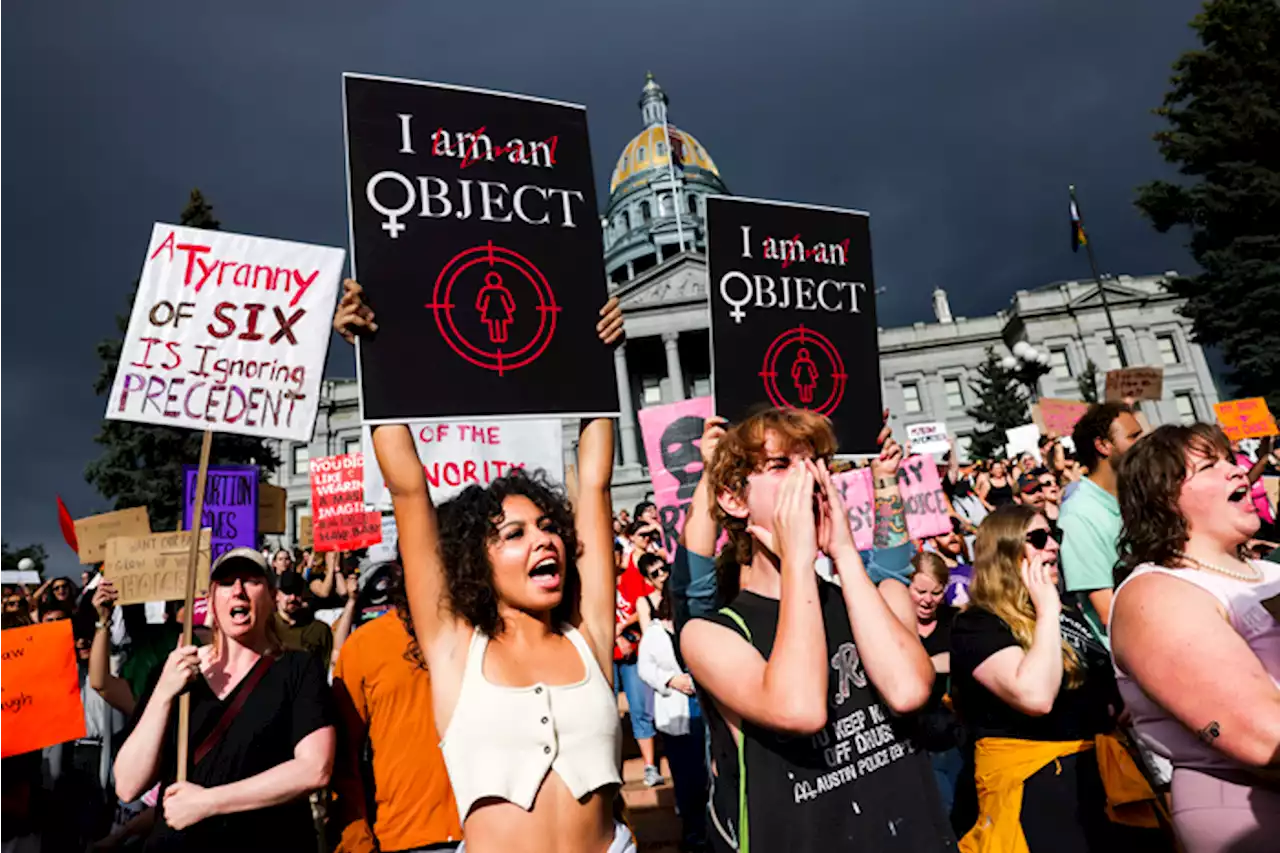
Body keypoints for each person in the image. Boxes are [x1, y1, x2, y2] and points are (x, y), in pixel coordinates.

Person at [352, 277, 634, 853]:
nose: (544, 541)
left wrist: (598, 359)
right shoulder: (455, 648)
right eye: (514, 534)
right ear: (476, 564)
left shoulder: (591, 634)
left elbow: (596, 483)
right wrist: (370, 354)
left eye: (549, 527)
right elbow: (409, 491)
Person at [680, 407, 951, 852]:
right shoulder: (712, 635)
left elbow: (907, 691)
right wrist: (798, 561)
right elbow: (800, 710)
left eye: (814, 463)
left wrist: (843, 550)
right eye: (782, 465)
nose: (806, 476)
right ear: (734, 498)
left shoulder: (866, 598)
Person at [1111, 423, 1280, 852]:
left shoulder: (1272, 573)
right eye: (1209, 465)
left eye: (1229, 458)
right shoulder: (1156, 594)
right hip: (1249, 808)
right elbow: (1262, 736)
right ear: (1164, 499)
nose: (1237, 471)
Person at [113, 548, 336, 852]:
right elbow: (127, 785)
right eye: (227, 582)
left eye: (251, 581)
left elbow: (314, 768)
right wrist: (164, 693)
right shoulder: (176, 672)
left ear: (271, 596)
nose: (239, 591)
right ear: (211, 600)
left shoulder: (298, 669)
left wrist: (207, 802)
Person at [950, 505, 1139, 852]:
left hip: (1096, 775)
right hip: (1036, 789)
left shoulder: (1062, 610)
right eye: (1039, 539)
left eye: (1054, 536)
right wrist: (1047, 611)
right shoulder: (978, 624)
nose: (1053, 546)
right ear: (1004, 551)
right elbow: (1035, 697)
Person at [330, 563, 463, 853]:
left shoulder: (485, 635)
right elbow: (341, 757)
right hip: (405, 838)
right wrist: (357, 842)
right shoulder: (364, 645)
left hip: (492, 832)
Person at [636, 562, 707, 853]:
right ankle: (693, 836)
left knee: (707, 776)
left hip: (703, 712)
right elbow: (645, 668)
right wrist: (670, 680)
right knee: (687, 778)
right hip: (677, 713)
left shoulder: (698, 627)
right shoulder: (654, 632)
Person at [1059, 402, 1144, 642]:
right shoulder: (1078, 515)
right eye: (1133, 437)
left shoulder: (1139, 494)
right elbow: (1108, 612)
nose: (1144, 444)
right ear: (1103, 446)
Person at [908, 552, 963, 814]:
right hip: (910, 738)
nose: (928, 600)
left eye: (936, 593)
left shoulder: (956, 621)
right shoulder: (892, 623)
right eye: (920, 591)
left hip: (951, 737)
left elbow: (972, 658)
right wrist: (931, 665)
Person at [615, 524, 661, 787]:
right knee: (607, 714)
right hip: (610, 653)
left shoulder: (633, 578)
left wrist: (624, 626)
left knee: (641, 709)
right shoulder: (592, 583)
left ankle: (650, 766)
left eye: (618, 553)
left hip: (633, 653)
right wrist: (616, 633)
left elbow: (644, 604)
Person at [275, 570, 335, 670]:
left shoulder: (319, 629)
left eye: (297, 592)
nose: (293, 597)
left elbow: (327, 667)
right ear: (276, 594)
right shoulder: (266, 627)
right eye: (288, 592)